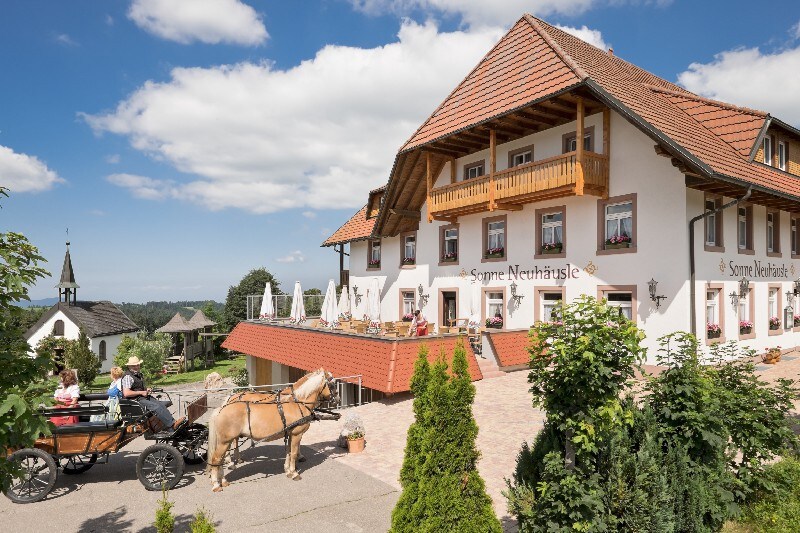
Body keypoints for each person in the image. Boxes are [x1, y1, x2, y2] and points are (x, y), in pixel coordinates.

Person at [121, 356, 184, 430]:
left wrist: (146, 389)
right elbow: (126, 393)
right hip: (134, 401)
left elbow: (137, 387)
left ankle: (171, 423)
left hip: (141, 397)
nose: (136, 367)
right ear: (129, 366)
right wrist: (141, 392)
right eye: (134, 365)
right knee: (156, 407)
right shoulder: (128, 377)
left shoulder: (138, 374)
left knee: (160, 404)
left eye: (137, 365)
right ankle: (172, 425)